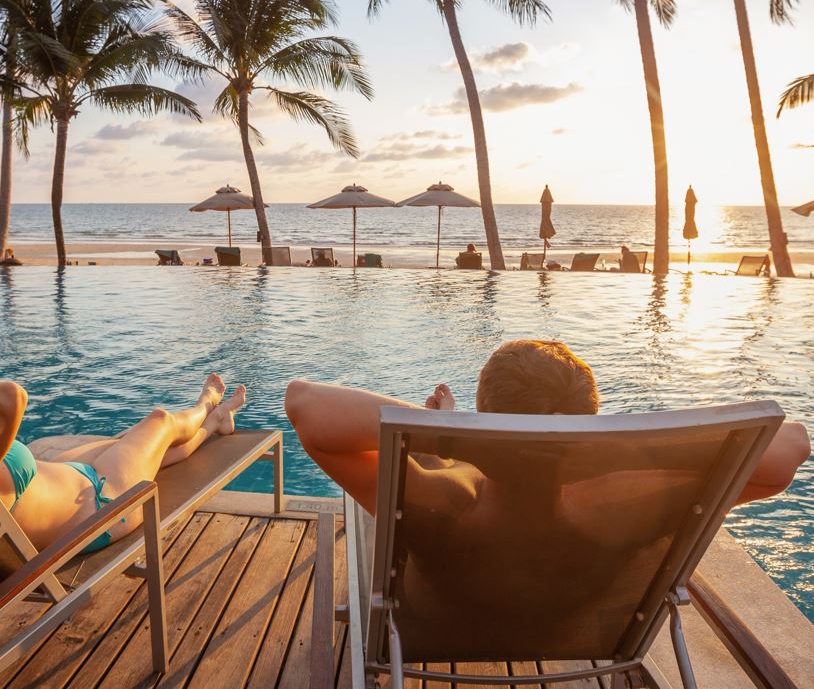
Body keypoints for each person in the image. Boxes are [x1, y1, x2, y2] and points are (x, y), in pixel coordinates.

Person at [285, 339, 811, 516]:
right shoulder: (630, 502)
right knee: (450, 467)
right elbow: (790, 446)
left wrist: (460, 433)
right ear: (593, 418)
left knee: (439, 467)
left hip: (443, 622)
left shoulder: (442, 504)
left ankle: (451, 444)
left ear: (484, 416)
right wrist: (606, 448)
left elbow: (306, 404)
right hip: (587, 634)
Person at [0, 374, 246, 552]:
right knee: (161, 422)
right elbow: (12, 395)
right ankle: (207, 406)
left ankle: (217, 420)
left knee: (132, 442)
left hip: (62, 476)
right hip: (101, 505)